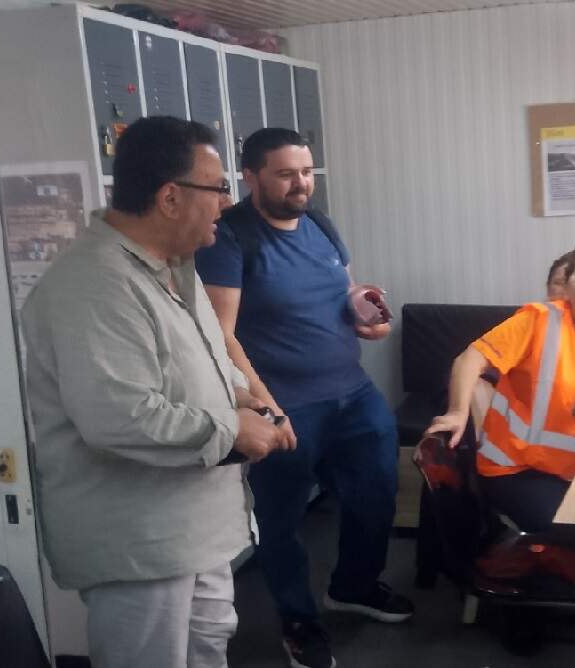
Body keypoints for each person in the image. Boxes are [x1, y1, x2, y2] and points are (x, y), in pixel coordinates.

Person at [21, 116, 289, 668]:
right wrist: (232, 430)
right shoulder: (95, 284)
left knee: (207, 649)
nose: (226, 203)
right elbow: (119, 417)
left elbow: (201, 360)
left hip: (195, 533)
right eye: (217, 188)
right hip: (140, 546)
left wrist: (242, 396)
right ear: (170, 198)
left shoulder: (175, 266)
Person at [194, 128, 411, 668]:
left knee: (376, 495)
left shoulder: (320, 223)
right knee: (282, 520)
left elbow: (346, 292)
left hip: (352, 392)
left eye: (307, 172)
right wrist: (265, 407)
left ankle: (354, 587)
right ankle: (298, 621)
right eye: (286, 174)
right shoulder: (230, 237)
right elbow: (222, 334)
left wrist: (368, 318)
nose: (301, 184)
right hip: (287, 404)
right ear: (251, 176)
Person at [425, 243, 575, 532]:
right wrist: (457, 412)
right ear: (567, 287)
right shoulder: (539, 319)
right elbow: (469, 359)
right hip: (519, 470)